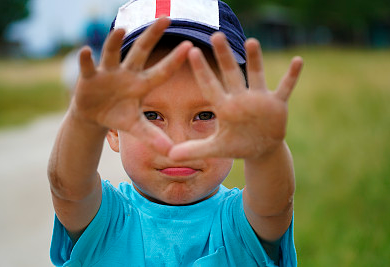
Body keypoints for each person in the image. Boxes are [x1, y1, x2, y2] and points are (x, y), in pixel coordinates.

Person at [48, 0, 303, 266]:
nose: (177, 143)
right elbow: (66, 187)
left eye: (205, 115)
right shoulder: (105, 222)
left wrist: (267, 149)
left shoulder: (242, 225)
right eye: (151, 115)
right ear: (112, 129)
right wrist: (83, 118)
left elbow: (276, 206)